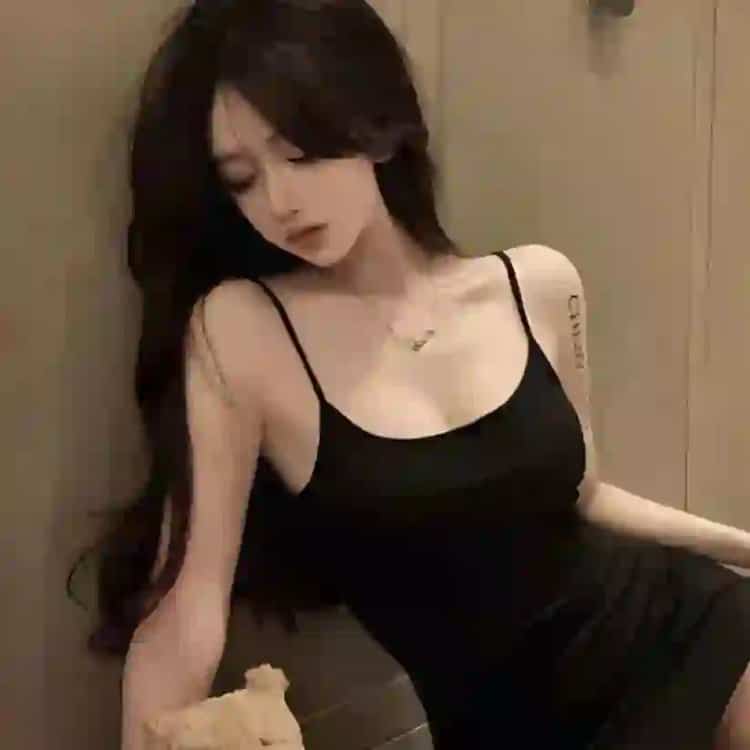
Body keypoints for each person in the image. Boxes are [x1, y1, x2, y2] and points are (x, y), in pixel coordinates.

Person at [66, 1, 750, 748]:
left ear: (376, 123)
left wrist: (742, 546)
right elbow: (188, 608)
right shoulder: (244, 330)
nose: (279, 201)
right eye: (242, 179)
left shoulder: (537, 284)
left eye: (300, 153)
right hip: (508, 729)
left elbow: (584, 494)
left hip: (697, 633)